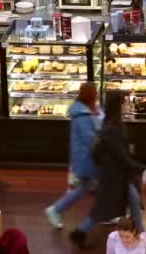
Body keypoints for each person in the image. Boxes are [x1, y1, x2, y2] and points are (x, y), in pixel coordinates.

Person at [70, 92, 146, 248]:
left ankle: (141, 233)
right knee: (103, 210)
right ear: (117, 107)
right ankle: (79, 232)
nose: (126, 105)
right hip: (115, 177)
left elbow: (103, 152)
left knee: (131, 202)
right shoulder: (114, 129)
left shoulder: (109, 125)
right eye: (123, 102)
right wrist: (139, 167)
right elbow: (121, 156)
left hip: (115, 175)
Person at [45, 82, 102, 229]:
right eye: (95, 93)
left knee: (96, 186)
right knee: (84, 187)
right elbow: (91, 139)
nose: (97, 96)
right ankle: (56, 209)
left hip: (87, 157)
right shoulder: (83, 115)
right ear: (90, 96)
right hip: (86, 159)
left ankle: (108, 213)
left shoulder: (86, 110)